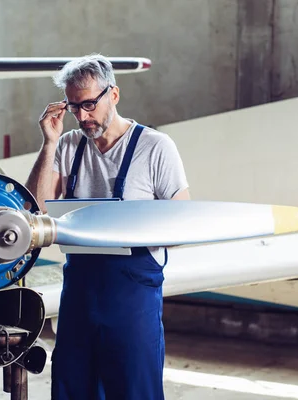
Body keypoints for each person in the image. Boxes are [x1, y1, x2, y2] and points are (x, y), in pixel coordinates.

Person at [26, 53, 190, 400]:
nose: (83, 117)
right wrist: (49, 142)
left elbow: (182, 225)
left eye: (89, 104)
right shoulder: (68, 146)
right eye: (74, 107)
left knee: (134, 390)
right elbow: (36, 209)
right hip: (79, 295)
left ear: (113, 95)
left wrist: (127, 227)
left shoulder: (155, 148)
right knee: (72, 387)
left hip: (132, 297)